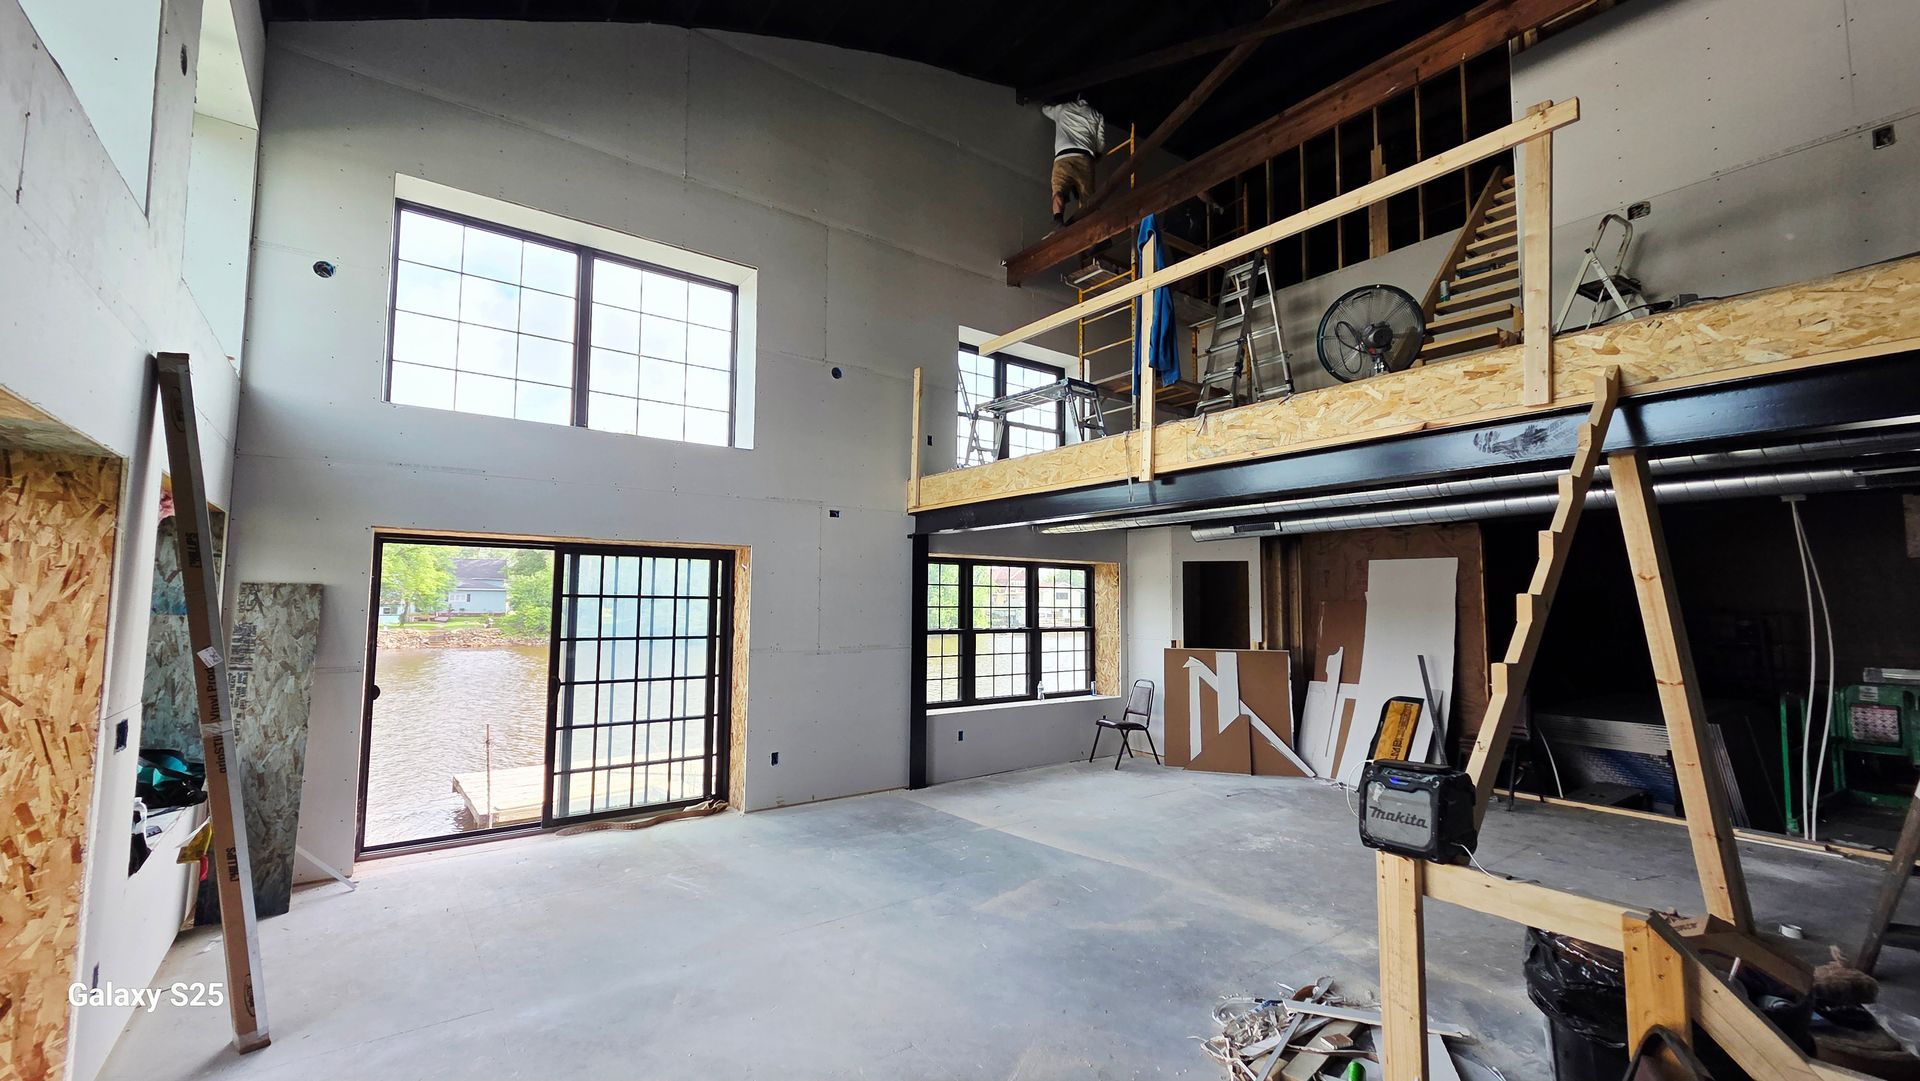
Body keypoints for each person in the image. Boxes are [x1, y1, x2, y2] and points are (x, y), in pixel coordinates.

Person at [1042, 97, 1106, 225]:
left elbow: (1045, 109)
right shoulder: (1096, 114)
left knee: (1059, 191)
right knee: (1088, 200)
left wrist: (1048, 103)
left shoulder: (1062, 109)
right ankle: (1093, 229)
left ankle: (1058, 221)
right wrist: (1097, 156)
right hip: (1085, 158)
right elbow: (1101, 143)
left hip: (1063, 157)